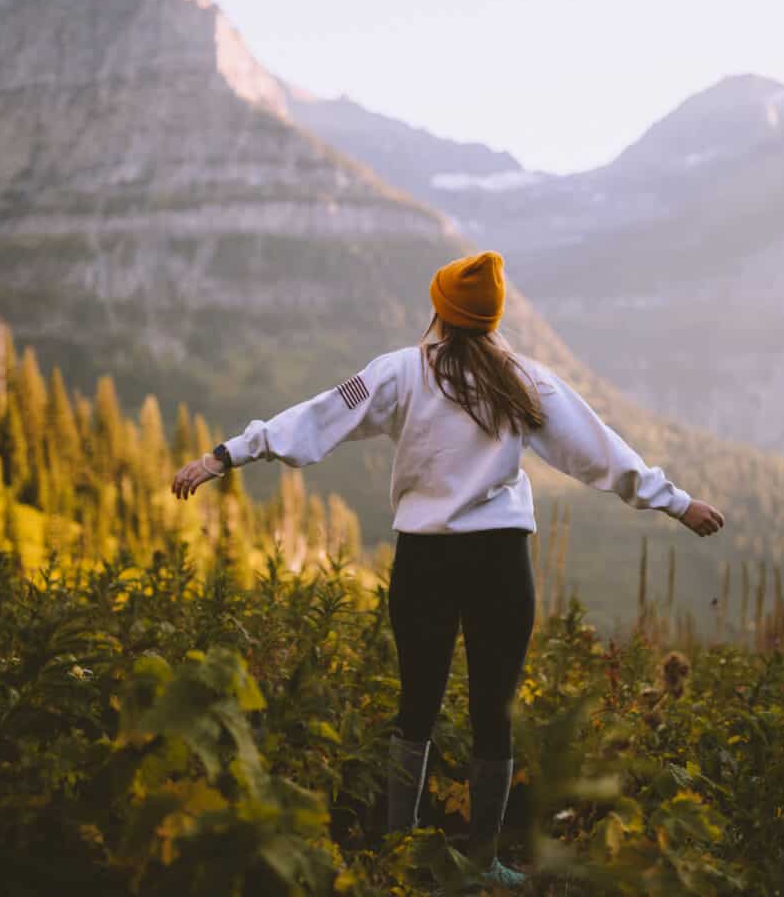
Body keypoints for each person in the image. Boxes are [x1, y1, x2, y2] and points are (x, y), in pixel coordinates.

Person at [172, 250, 724, 889]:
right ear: (491, 320)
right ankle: (485, 862)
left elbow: (318, 417)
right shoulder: (525, 380)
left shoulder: (400, 373)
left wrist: (227, 454)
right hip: (500, 561)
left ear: (440, 309)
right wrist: (678, 503)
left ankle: (397, 854)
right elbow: (600, 449)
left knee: (417, 707)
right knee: (496, 712)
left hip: (426, 561)